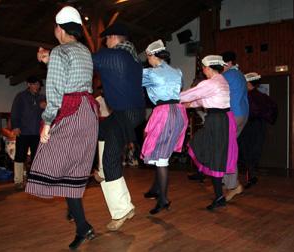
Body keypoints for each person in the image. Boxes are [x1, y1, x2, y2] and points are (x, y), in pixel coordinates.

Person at [25, 6, 99, 250]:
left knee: (51, 160)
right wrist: (50, 59)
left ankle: (81, 222)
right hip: (88, 112)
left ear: (59, 28)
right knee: (74, 170)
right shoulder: (84, 51)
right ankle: (80, 222)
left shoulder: (59, 51)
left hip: (70, 112)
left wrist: (47, 122)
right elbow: (72, 76)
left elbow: (56, 90)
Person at [92, 23, 145, 231]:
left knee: (111, 157)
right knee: (103, 131)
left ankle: (122, 209)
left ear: (114, 37)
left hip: (126, 113)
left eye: (107, 39)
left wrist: (53, 57)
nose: (105, 42)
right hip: (131, 111)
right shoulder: (133, 58)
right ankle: (104, 172)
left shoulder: (115, 56)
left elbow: (83, 61)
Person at [180, 55, 238, 211]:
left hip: (217, 121)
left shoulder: (211, 83)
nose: (203, 70)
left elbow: (192, 93)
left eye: (203, 68)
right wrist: (189, 105)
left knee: (213, 155)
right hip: (220, 119)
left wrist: (171, 98)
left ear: (209, 68)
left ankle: (219, 196)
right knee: (206, 148)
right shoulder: (221, 81)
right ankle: (216, 191)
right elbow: (202, 99)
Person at [140, 40, 188, 214]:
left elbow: (132, 83)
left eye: (148, 57)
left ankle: (163, 199)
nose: (148, 61)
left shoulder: (150, 73)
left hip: (163, 113)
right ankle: (155, 189)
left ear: (153, 55)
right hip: (179, 113)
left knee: (160, 158)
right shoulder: (178, 72)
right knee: (162, 153)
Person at [239, 72, 278, 189]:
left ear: (249, 83)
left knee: (247, 149)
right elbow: (273, 108)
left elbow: (249, 111)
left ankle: (251, 177)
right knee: (254, 149)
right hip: (259, 125)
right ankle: (251, 175)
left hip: (250, 125)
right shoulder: (263, 96)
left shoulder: (248, 96)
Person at [221, 51, 249, 201]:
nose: (222, 67)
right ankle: (227, 182)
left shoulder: (228, 75)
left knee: (227, 150)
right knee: (227, 147)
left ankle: (234, 185)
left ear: (229, 63)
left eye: (223, 64)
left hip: (233, 115)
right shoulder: (240, 74)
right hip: (242, 114)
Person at [10, 76, 44, 190]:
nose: (36, 86)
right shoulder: (20, 96)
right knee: (20, 156)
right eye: (34, 84)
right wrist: (15, 126)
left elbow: (47, 114)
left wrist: (45, 107)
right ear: (28, 84)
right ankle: (18, 181)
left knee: (37, 157)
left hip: (37, 132)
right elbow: (15, 111)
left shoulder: (42, 98)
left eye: (38, 84)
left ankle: (35, 180)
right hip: (23, 131)